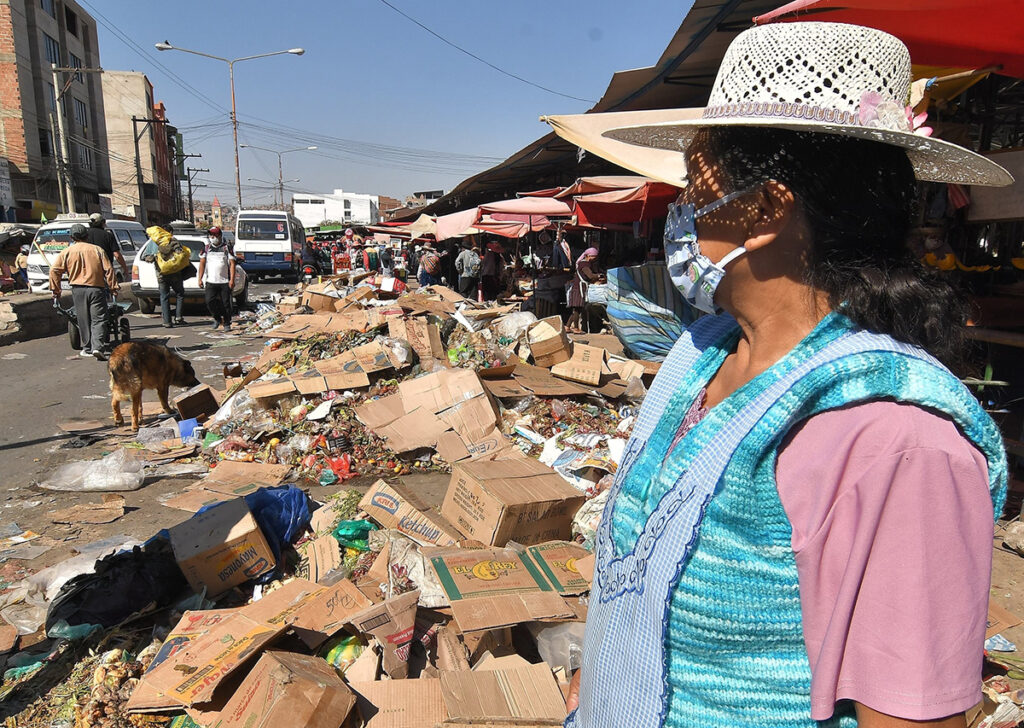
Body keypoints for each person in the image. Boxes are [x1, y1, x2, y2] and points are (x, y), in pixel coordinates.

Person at [563, 22, 1010, 728]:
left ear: (766, 210)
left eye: (695, 187)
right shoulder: (701, 354)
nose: (677, 216)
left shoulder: (892, 440)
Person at [49, 223, 116, 359]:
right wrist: (113, 287)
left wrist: (56, 290)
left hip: (77, 289)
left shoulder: (67, 252)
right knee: (99, 319)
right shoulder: (97, 250)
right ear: (87, 235)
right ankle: (98, 347)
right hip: (96, 288)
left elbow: (54, 270)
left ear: (72, 237)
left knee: (83, 319)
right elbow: (109, 269)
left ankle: (87, 348)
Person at [140, 224, 187, 328]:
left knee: (164, 297)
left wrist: (155, 258)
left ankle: (167, 321)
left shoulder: (153, 241)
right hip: (175, 273)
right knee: (180, 294)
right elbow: (181, 254)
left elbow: (145, 257)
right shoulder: (173, 240)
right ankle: (178, 317)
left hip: (161, 274)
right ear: (170, 232)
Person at [196, 226, 236, 331]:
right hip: (211, 281)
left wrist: (232, 280)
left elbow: (232, 264)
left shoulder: (226, 248)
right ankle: (217, 319)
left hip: (224, 281)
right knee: (209, 301)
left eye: (215, 235)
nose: (213, 237)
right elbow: (202, 264)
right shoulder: (206, 248)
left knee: (226, 303)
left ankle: (227, 323)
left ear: (220, 236)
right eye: (211, 235)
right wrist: (200, 278)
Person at [566, 247, 602, 332]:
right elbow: (590, 275)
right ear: (588, 256)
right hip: (578, 288)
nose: (595, 259)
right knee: (577, 308)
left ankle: (567, 326)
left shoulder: (584, 263)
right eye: (594, 257)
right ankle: (576, 328)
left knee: (576, 309)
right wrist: (599, 276)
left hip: (577, 288)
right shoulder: (584, 264)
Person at [87, 213, 128, 280]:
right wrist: (125, 269)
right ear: (102, 222)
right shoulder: (108, 235)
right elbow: (117, 255)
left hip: (89, 270)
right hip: (105, 270)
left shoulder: (85, 236)